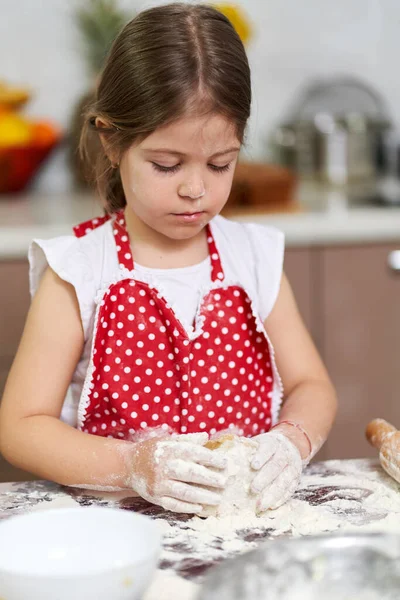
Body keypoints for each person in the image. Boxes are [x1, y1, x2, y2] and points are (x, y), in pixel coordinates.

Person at [0, 3, 337, 515]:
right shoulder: (81, 270)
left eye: (220, 164)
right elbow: (20, 429)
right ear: (112, 142)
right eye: (166, 164)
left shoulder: (253, 257)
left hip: (242, 527)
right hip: (115, 536)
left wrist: (291, 441)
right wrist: (133, 464)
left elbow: (313, 386)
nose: (195, 189)